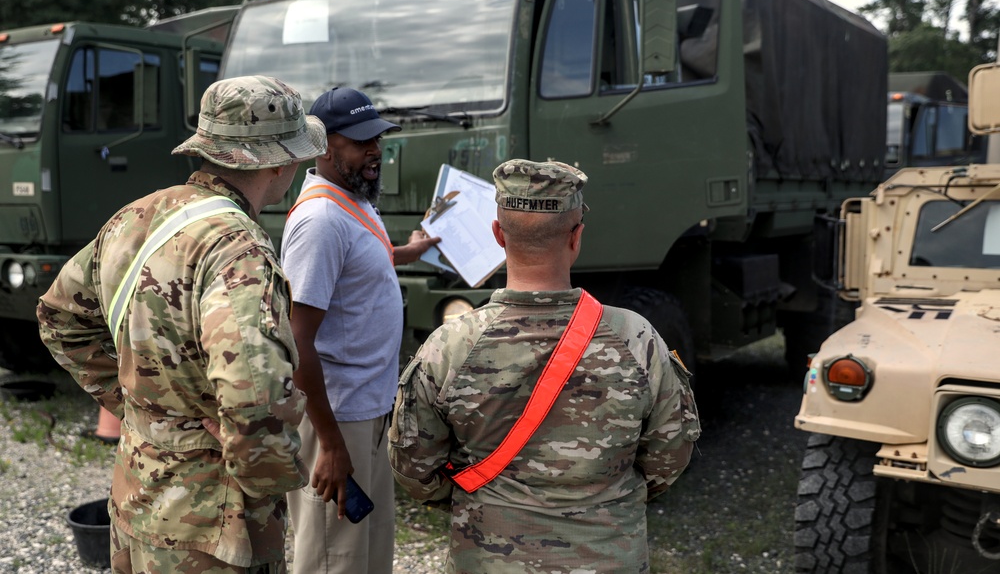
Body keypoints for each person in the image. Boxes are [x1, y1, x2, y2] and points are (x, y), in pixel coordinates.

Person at [36, 75, 326, 573]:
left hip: (136, 499)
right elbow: (254, 395)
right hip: (213, 529)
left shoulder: (138, 215)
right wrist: (272, 477)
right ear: (277, 161)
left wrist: (140, 406)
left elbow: (59, 317)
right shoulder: (241, 249)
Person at [387, 158, 701, 573]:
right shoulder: (636, 338)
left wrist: (474, 493)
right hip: (608, 557)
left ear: (498, 235)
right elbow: (669, 457)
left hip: (489, 558)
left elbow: (414, 466)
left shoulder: (451, 345)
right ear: (577, 237)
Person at [280, 87, 439, 574]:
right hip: (337, 418)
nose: (376, 151)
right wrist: (330, 445)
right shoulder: (321, 221)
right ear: (326, 148)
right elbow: (297, 340)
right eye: (361, 141)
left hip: (366, 410)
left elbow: (358, 263)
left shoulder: (352, 200)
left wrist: (407, 251)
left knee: (368, 555)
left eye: (378, 139)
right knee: (334, 558)